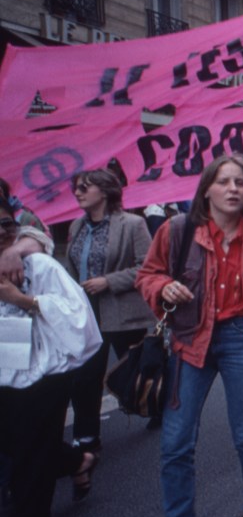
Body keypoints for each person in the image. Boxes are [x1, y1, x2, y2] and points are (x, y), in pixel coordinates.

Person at [126, 155, 243, 517]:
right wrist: (163, 287)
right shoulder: (177, 230)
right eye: (224, 182)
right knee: (176, 442)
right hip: (191, 339)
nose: (234, 189)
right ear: (207, 189)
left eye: (241, 183)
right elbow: (148, 274)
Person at [0, 202, 103, 517]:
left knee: (30, 444)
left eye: (4, 223)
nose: (1, 231)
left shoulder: (39, 264)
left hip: (44, 368)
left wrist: (24, 300)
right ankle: (77, 461)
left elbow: (77, 313)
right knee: (15, 441)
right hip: (4, 368)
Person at [65, 169, 157, 445]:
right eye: (76, 188)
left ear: (104, 191)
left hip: (122, 311)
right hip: (86, 311)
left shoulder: (132, 224)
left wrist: (109, 281)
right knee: (84, 376)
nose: (78, 192)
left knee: (137, 372)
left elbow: (148, 267)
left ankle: (157, 407)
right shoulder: (75, 226)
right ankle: (87, 436)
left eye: (84, 187)